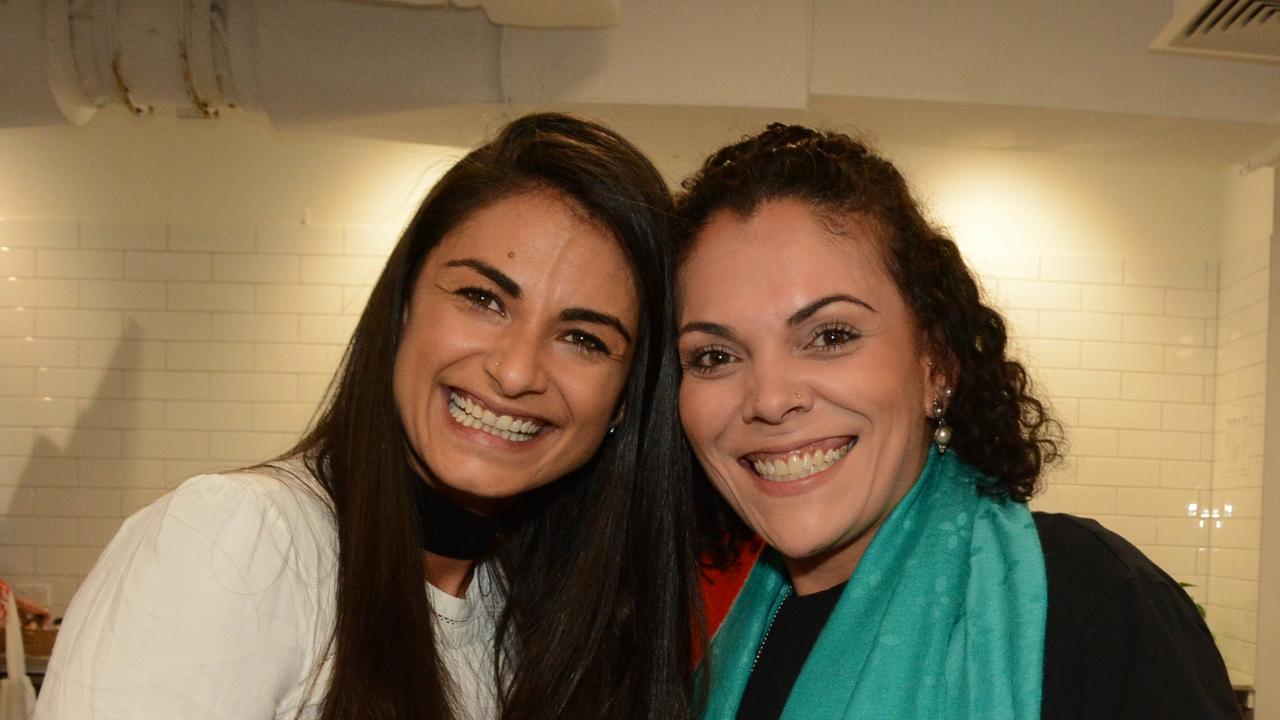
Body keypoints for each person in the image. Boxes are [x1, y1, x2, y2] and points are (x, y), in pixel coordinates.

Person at [35, 113, 699, 720]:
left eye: (584, 338)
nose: (517, 371)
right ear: (402, 307)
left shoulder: (525, 616)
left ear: (624, 403)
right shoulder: (245, 543)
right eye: (482, 298)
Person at [675, 124, 1240, 720]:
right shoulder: (714, 631)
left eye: (830, 336)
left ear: (936, 366)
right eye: (715, 356)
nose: (769, 397)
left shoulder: (1092, 602)